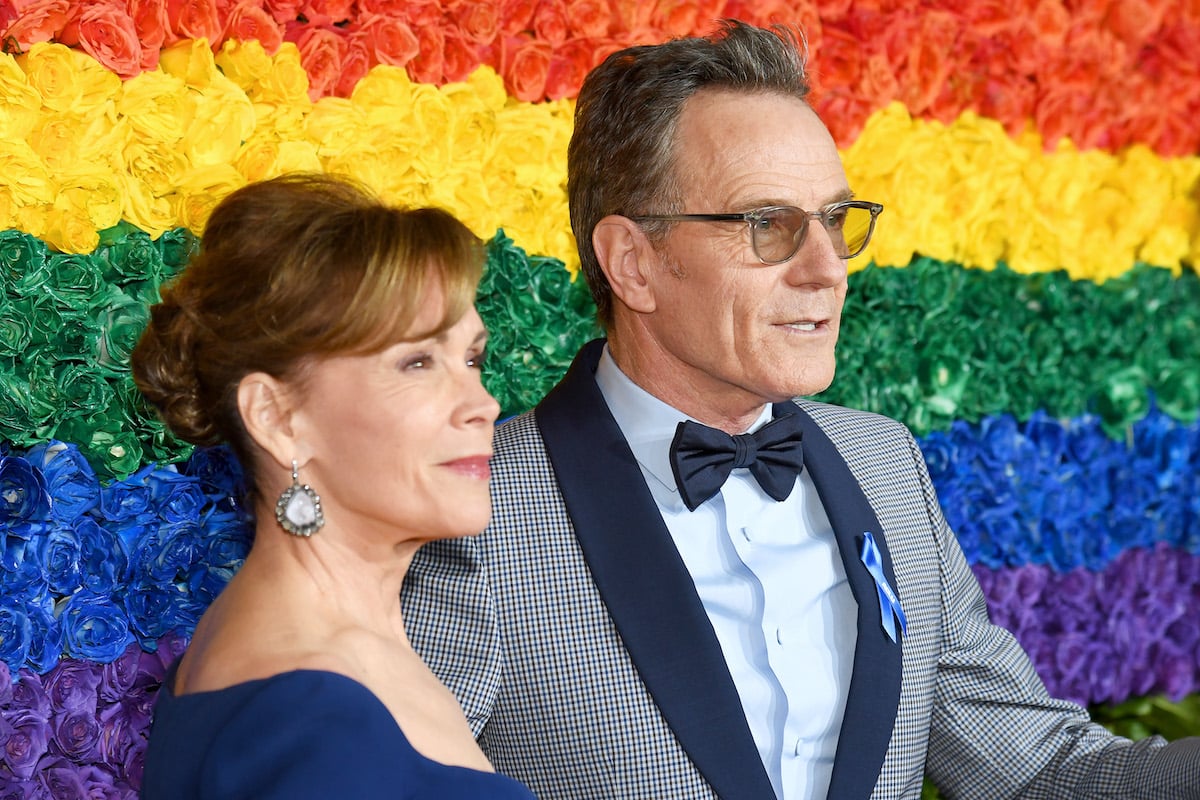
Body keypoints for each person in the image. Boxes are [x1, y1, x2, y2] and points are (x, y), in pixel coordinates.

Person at [402, 20, 1200, 800]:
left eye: (834, 221)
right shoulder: (475, 507)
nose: (827, 269)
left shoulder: (887, 466)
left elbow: (1034, 770)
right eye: (769, 226)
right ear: (634, 264)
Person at [132, 174, 535, 799]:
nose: (481, 403)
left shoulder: (321, 659)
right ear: (277, 417)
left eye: (472, 359)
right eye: (418, 363)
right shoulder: (312, 719)